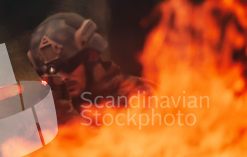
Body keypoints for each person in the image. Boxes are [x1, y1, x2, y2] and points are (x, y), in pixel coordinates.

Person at [27, 13, 156, 124]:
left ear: (91, 55)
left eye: (68, 64)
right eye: (54, 72)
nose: (63, 77)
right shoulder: (46, 115)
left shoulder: (140, 95)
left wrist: (73, 127)